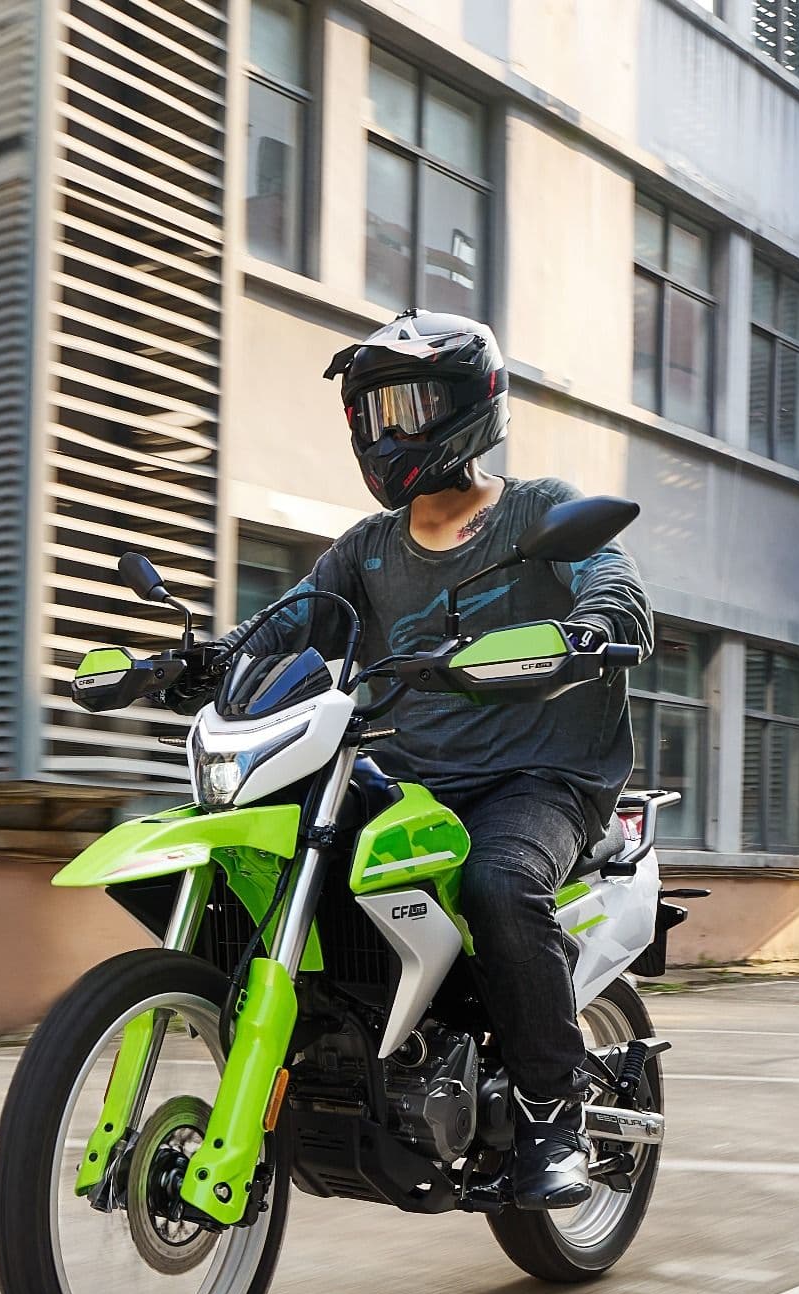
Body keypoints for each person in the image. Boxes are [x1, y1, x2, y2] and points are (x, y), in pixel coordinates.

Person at [211, 311, 653, 1210]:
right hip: (413, 779)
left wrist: (596, 624)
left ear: (468, 407)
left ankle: (551, 1113)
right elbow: (289, 621)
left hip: (540, 779)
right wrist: (206, 657)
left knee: (498, 881)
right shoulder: (366, 549)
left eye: (408, 409)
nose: (388, 434)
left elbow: (610, 577)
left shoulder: (535, 510)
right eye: (372, 415)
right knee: (297, 855)